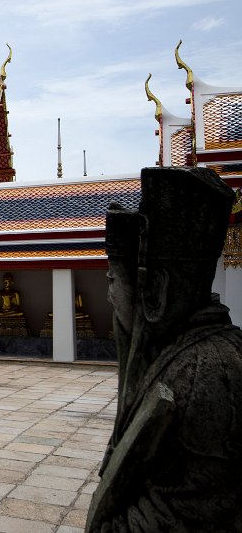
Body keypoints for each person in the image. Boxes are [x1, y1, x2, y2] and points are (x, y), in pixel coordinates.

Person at [87, 167, 242, 532]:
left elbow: (172, 518)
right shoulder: (178, 356)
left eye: (112, 280)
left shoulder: (206, 372)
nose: (108, 295)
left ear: (155, 288)